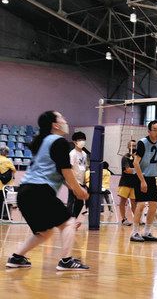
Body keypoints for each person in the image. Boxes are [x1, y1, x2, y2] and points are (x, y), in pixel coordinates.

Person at [5, 111, 90, 270]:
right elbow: (65, 170)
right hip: (39, 191)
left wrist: (74, 188)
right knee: (69, 223)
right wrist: (79, 190)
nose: (66, 120)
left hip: (24, 192)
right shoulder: (59, 141)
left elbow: (58, 172)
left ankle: (17, 258)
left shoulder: (43, 141)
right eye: (62, 118)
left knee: (44, 232)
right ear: (55, 125)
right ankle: (66, 261)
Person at [130, 120, 157, 243]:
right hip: (140, 176)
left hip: (152, 177)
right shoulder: (142, 143)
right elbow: (135, 163)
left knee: (153, 205)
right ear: (149, 131)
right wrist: (142, 181)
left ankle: (146, 232)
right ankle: (134, 232)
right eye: (155, 130)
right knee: (141, 204)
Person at [67, 131, 88, 225]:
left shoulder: (84, 154)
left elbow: (84, 167)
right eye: (80, 140)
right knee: (72, 201)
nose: (82, 142)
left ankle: (72, 220)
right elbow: (70, 168)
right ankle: (68, 222)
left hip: (82, 181)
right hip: (74, 181)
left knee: (80, 202)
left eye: (83, 140)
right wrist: (72, 182)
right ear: (75, 142)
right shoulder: (72, 153)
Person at [117, 140, 137, 226]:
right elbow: (127, 170)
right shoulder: (125, 157)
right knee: (123, 201)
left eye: (135, 145)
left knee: (134, 202)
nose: (134, 147)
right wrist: (137, 170)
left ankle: (137, 219)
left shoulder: (138, 157)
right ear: (128, 147)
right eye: (132, 145)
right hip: (125, 183)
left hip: (134, 183)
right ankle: (124, 219)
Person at [0, 145, 16, 220]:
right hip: (5, 186)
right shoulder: (7, 161)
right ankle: (5, 216)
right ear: (6, 153)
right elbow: (14, 170)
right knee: (6, 201)